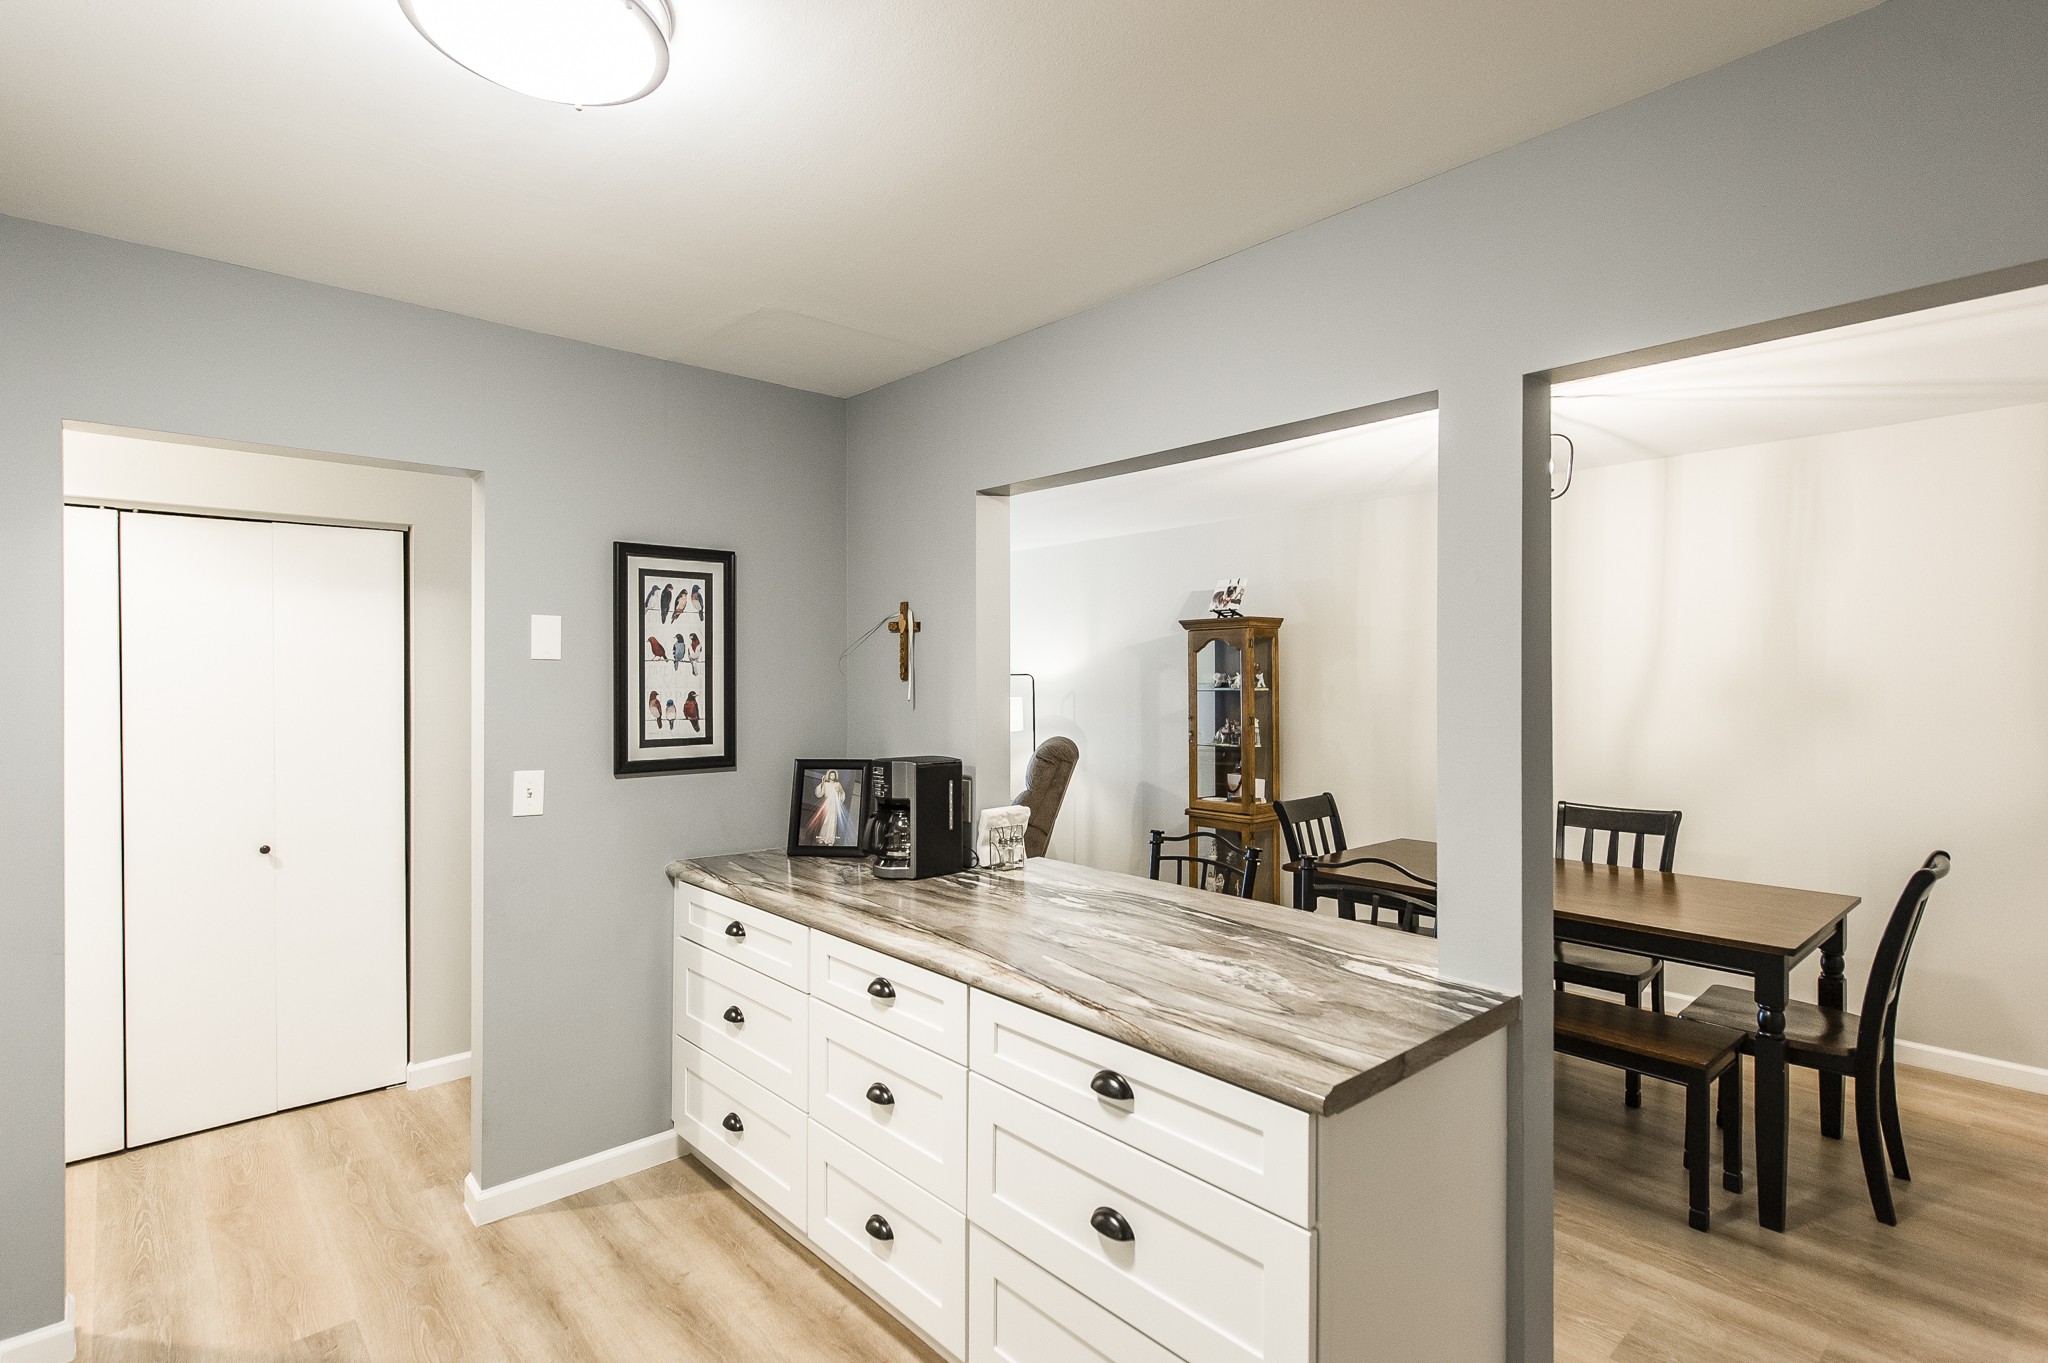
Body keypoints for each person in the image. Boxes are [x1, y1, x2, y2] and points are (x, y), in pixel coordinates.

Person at [805, 768, 852, 846]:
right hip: (827, 803)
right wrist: (822, 782)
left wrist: (839, 792)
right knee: (825, 821)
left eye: (834, 775)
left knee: (832, 821)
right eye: (831, 775)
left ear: (835, 776)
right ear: (829, 776)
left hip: (834, 804)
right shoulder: (826, 784)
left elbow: (842, 795)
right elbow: (819, 793)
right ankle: (822, 838)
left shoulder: (838, 784)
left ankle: (830, 840)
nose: (832, 776)